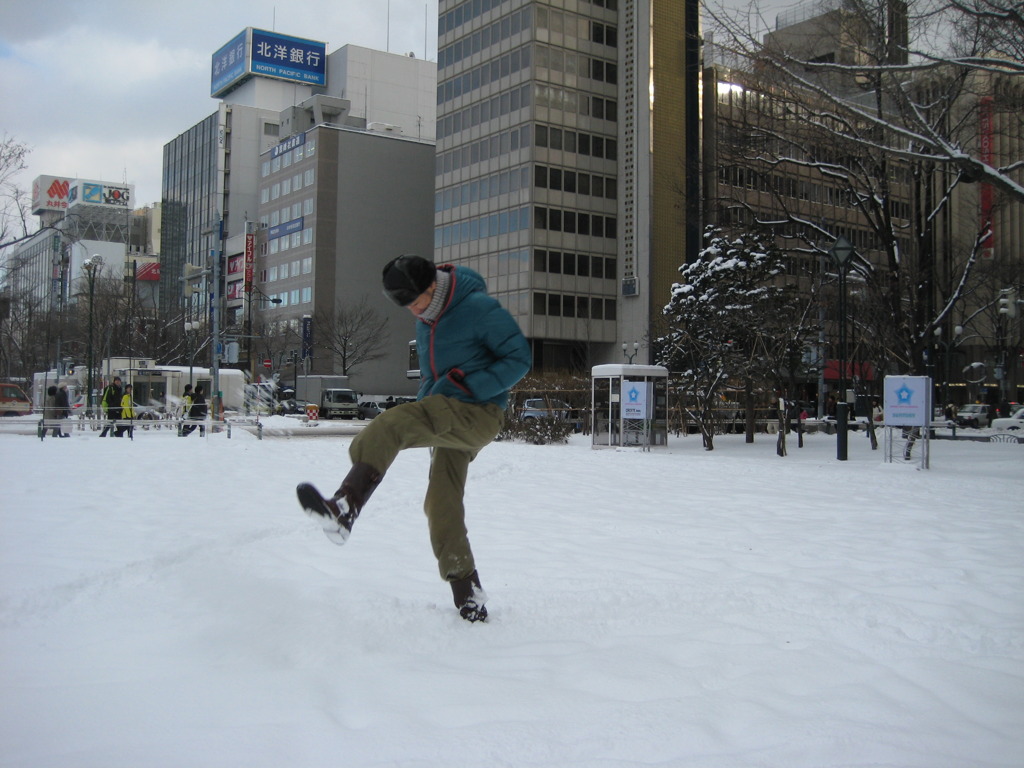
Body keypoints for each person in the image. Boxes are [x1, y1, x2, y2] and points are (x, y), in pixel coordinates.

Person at [296, 255, 531, 623]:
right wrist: (427, 405)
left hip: (479, 412)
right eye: (405, 305)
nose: (413, 310)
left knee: (391, 424)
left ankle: (346, 506)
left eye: (416, 301)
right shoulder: (426, 324)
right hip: (446, 415)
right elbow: (430, 377)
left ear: (432, 286)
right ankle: (469, 594)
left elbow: (519, 358)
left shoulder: (478, 309)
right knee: (441, 503)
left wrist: (469, 387)